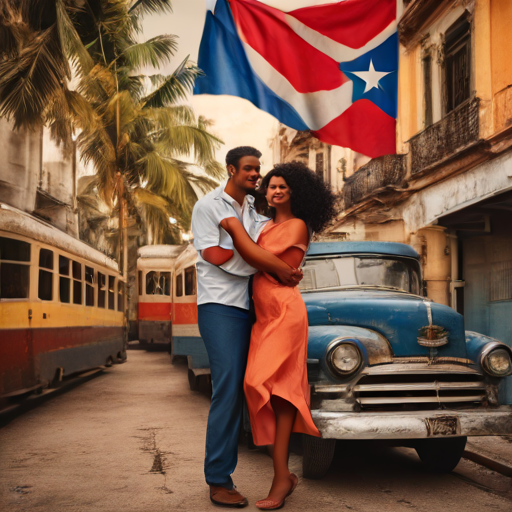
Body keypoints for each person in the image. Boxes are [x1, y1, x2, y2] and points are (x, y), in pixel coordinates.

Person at [220, 161, 337, 510]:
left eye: (283, 186)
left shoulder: (299, 225)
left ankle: (280, 478)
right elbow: (263, 262)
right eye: (271, 186)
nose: (276, 190)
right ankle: (283, 473)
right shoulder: (265, 225)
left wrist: (232, 228)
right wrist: (275, 266)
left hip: (286, 314)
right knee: (263, 389)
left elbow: (256, 257)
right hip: (264, 316)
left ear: (295, 193)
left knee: (267, 386)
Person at [191, 147, 303, 508]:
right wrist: (259, 259)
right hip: (220, 306)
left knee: (258, 386)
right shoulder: (210, 206)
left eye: (259, 169)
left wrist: (253, 252)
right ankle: (218, 480)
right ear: (231, 169)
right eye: (249, 169)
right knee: (227, 388)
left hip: (255, 308)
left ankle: (281, 473)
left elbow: (261, 251)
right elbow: (217, 257)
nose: (256, 175)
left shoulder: (254, 212)